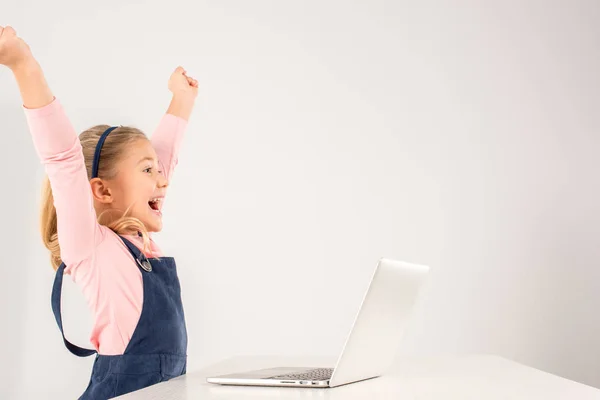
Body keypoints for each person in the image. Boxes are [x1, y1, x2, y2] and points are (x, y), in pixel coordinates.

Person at [0, 25, 199, 399]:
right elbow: (62, 158)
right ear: (103, 190)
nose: (163, 180)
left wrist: (182, 101)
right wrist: (23, 65)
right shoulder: (92, 247)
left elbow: (162, 162)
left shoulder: (141, 245)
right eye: (147, 170)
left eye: (159, 169)